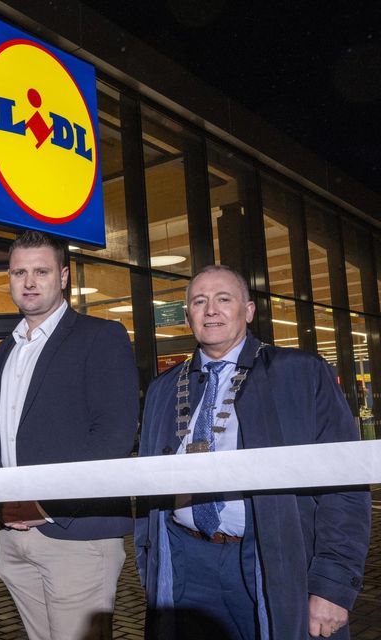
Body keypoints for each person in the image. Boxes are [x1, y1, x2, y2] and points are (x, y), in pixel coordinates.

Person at [135, 264, 370, 640]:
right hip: (186, 563)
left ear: (248, 311)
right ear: (187, 317)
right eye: (199, 301)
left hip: (270, 561)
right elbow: (146, 489)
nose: (211, 310)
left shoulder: (302, 375)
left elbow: (345, 487)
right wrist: (150, 564)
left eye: (223, 299)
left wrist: (332, 584)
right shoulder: (163, 390)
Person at [0, 230, 139, 640]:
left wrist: (48, 505)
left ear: (65, 276)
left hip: (75, 531)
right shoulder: (7, 350)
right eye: (19, 272)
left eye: (41, 271)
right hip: (13, 534)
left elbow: (114, 434)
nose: (29, 282)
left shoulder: (100, 336)